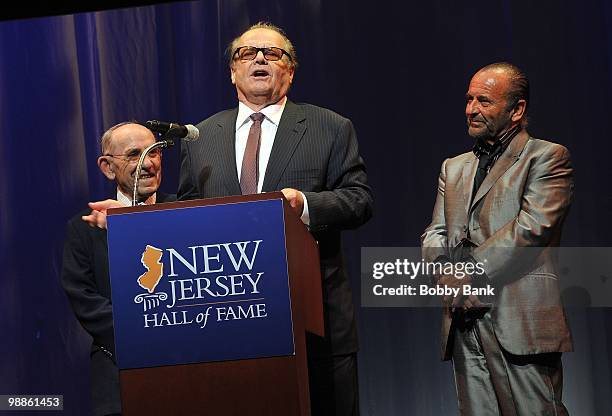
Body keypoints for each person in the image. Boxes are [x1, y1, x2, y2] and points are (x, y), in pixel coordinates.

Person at [178, 22, 373, 416]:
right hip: (226, 325)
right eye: (247, 53)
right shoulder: (200, 137)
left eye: (274, 53)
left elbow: (359, 201)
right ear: (233, 71)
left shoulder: (330, 127)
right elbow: (185, 214)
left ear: (291, 70)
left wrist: (305, 204)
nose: (261, 59)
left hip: (314, 324)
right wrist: (138, 214)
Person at [421, 62, 574, 415]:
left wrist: (469, 273)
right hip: (464, 320)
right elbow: (436, 231)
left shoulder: (547, 157)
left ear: (517, 109)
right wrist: (443, 271)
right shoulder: (453, 167)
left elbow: (533, 228)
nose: (471, 109)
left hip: (519, 317)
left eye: (484, 101)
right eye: (469, 99)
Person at [61, 122, 176, 416]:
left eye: (155, 153)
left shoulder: (185, 212)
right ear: (108, 167)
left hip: (187, 368)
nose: (149, 163)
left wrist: (132, 225)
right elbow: (85, 299)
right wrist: (141, 333)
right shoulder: (83, 228)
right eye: (135, 154)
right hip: (118, 372)